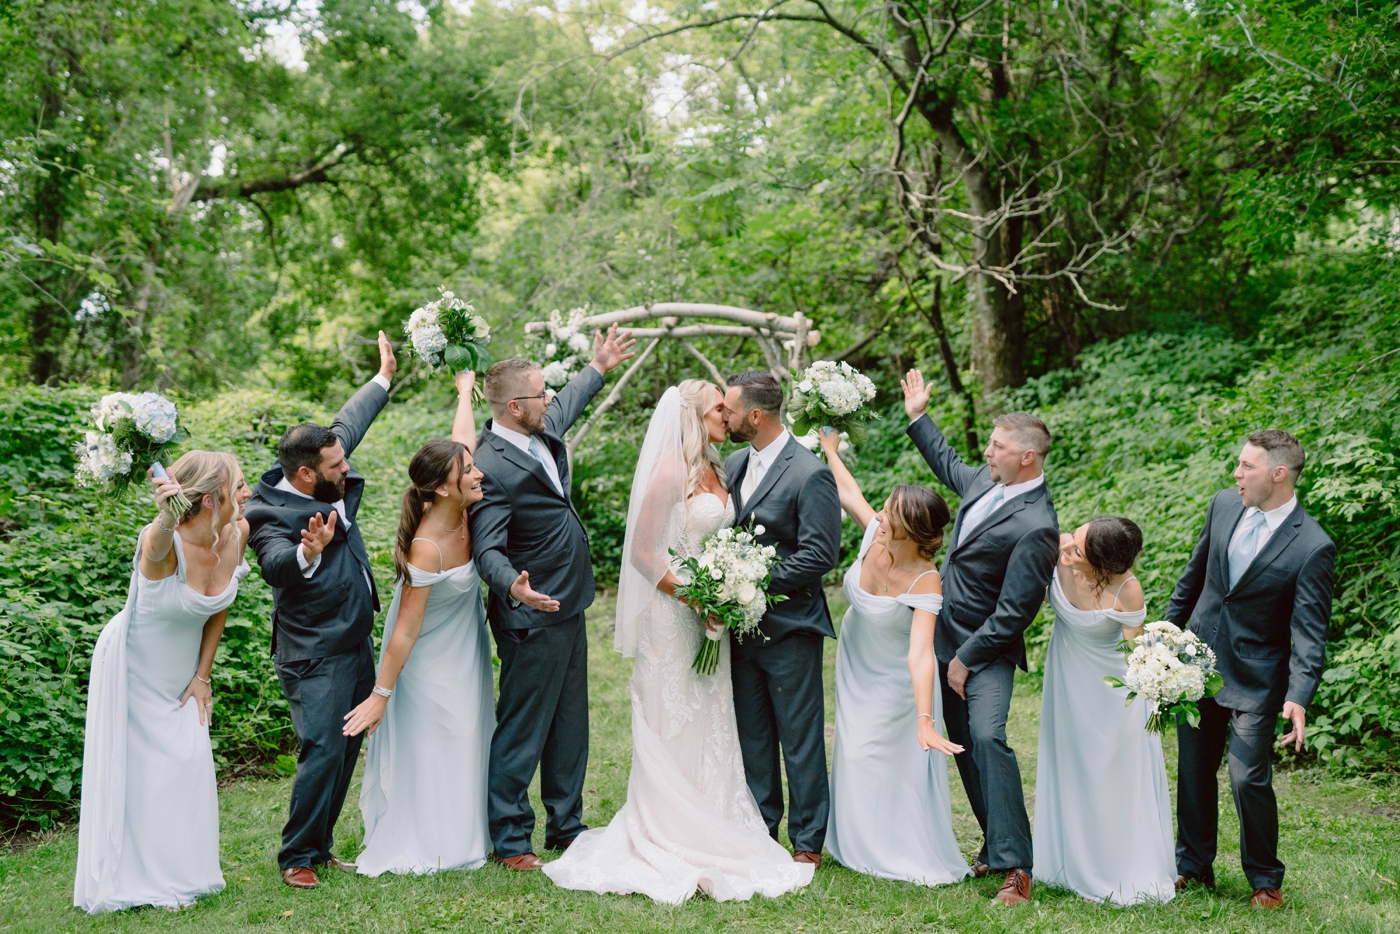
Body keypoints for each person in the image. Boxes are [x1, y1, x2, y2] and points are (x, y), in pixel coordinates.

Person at [543, 381, 813, 903]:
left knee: (712, 716)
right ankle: (667, 827)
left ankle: (714, 813)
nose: (727, 415)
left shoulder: (720, 467)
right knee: (676, 716)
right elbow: (645, 554)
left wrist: (725, 591)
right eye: (718, 408)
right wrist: (698, 599)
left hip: (711, 614)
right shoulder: (671, 471)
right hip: (674, 616)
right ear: (693, 415)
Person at [469, 326, 636, 871]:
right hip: (531, 611)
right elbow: (486, 546)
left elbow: (568, 405)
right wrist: (510, 585)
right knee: (523, 726)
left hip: (571, 602)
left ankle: (567, 825)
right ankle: (512, 838)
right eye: (542, 394)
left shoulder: (540, 429)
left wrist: (600, 366)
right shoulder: (489, 464)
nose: (550, 400)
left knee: (570, 722)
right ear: (515, 406)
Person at [243, 331, 398, 890]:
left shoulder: (324, 458)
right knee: (324, 746)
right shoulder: (267, 513)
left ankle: (322, 844)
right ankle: (296, 856)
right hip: (313, 652)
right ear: (307, 474)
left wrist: (383, 376)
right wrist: (308, 551)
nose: (345, 464)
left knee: (349, 742)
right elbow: (276, 565)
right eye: (336, 463)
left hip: (353, 640)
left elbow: (347, 424)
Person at [900, 369, 1059, 906]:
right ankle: (994, 844)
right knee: (963, 745)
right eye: (990, 444)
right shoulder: (987, 481)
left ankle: (1018, 868)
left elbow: (1016, 611)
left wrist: (966, 659)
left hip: (985, 651)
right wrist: (919, 415)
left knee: (990, 739)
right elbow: (947, 462)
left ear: (1027, 458)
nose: (988, 452)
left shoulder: (1038, 525)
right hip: (943, 637)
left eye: (998, 446)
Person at [75, 452, 252, 913]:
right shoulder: (162, 543)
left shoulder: (237, 533)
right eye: (240, 487)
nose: (248, 494)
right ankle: (138, 878)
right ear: (211, 500)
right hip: (133, 671)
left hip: (182, 675)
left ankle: (185, 874)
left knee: (189, 761)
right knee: (145, 776)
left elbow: (219, 607)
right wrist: (163, 517)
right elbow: (154, 544)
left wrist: (202, 675)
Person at [1167, 430, 1335, 910]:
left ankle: (1265, 880)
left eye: (1247, 467)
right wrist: (1161, 638)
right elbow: (1194, 576)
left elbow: (1309, 632)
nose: (1235, 475)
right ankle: (1193, 869)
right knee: (1194, 771)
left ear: (1278, 474)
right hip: (1197, 664)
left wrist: (1299, 694)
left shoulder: (1313, 546)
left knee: (1246, 776)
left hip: (1258, 680)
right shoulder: (1223, 505)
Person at [345, 371, 492, 876]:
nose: (477, 474)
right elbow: (404, 630)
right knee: (442, 736)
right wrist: (380, 696)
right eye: (467, 472)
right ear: (440, 488)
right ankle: (434, 841)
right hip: (427, 660)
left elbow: (463, 442)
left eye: (473, 468)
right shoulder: (425, 549)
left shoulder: (465, 511)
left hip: (465, 648)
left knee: (472, 730)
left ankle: (471, 832)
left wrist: (464, 393)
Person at [817, 428, 970, 887]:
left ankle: (895, 847)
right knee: (856, 751)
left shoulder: (926, 581)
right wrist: (829, 448)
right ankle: (854, 842)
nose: (879, 515)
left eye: (890, 514)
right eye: (882, 509)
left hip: (897, 683)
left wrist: (925, 716)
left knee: (885, 757)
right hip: (856, 665)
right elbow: (849, 491)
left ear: (914, 531)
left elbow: (921, 654)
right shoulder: (874, 536)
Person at [721, 371, 842, 867]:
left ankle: (808, 840)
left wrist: (751, 585)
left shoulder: (808, 472)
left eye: (728, 410)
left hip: (791, 627)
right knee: (752, 733)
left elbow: (820, 553)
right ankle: (761, 828)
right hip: (739, 629)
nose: (721, 418)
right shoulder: (731, 463)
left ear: (755, 415)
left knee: (800, 736)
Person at [1033, 516, 1175, 905]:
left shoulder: (1126, 588)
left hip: (1114, 693)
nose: (1066, 549)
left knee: (1114, 774)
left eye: (1077, 550)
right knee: (1071, 766)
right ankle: (1067, 861)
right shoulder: (1055, 552)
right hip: (1066, 680)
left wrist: (1166, 673)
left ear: (1102, 565)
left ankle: (1119, 862)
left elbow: (1135, 654)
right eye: (1073, 538)